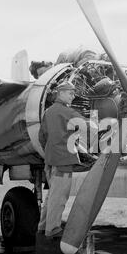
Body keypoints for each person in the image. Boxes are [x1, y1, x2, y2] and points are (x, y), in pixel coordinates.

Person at [37, 81, 97, 238]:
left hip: (50, 160)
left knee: (52, 195)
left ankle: (43, 227)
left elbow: (42, 136)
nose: (73, 96)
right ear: (61, 93)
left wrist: (50, 151)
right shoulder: (67, 112)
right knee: (59, 196)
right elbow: (89, 126)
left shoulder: (48, 112)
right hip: (63, 161)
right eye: (70, 93)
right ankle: (53, 229)